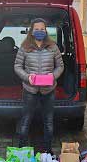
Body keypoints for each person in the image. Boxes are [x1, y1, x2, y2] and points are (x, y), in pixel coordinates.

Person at [14, 18, 64, 153]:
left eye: (42, 29)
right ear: (31, 31)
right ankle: (22, 151)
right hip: (30, 90)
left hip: (49, 90)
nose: (40, 31)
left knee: (48, 122)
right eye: (37, 29)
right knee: (25, 121)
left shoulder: (53, 46)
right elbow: (17, 66)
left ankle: (47, 151)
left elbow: (60, 66)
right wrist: (27, 77)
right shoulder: (25, 47)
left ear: (46, 30)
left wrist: (52, 76)